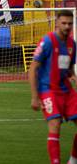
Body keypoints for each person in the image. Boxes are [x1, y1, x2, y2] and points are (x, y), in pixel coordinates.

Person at [29, 10, 77, 164]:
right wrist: (35, 97)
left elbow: (67, 67)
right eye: (64, 23)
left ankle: (73, 160)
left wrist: (72, 75)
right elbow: (33, 68)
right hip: (48, 90)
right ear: (56, 23)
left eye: (70, 23)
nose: (67, 26)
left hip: (66, 90)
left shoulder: (72, 44)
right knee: (55, 124)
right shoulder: (47, 41)